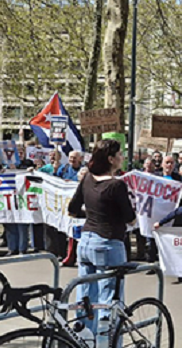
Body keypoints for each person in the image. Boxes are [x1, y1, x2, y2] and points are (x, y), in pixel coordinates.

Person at [68, 140, 136, 340]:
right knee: (109, 299)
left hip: (86, 240)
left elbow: (72, 210)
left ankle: (83, 339)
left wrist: (91, 214)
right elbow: (129, 216)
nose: (122, 157)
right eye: (120, 154)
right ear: (111, 159)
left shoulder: (87, 178)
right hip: (108, 243)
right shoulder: (116, 185)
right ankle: (107, 342)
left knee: (85, 296)